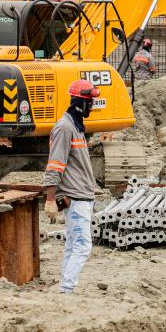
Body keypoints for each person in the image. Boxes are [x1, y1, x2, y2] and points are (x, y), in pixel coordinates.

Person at [43, 79, 101, 293]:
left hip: (81, 196)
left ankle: (64, 289)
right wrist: (50, 198)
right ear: (80, 103)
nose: (92, 107)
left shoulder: (76, 127)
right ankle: (67, 289)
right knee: (83, 246)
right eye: (90, 102)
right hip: (75, 198)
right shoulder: (65, 128)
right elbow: (55, 164)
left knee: (72, 246)